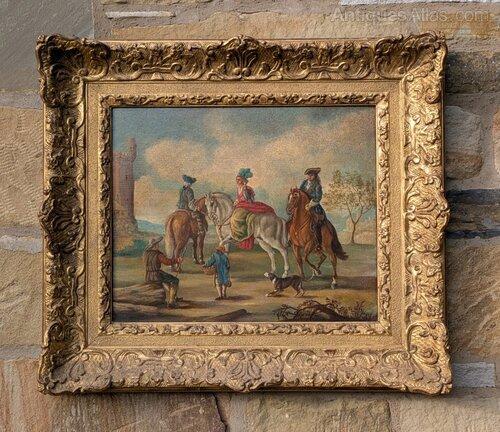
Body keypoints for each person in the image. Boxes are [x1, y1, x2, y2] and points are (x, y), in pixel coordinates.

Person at [231, 168, 275, 249]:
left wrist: (240, 200)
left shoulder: (246, 188)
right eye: (236, 179)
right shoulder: (238, 188)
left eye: (239, 179)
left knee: (237, 217)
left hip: (247, 204)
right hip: (240, 205)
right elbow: (239, 198)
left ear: (243, 180)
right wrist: (236, 201)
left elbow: (249, 199)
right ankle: (238, 235)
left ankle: (242, 234)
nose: (237, 181)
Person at [143, 236, 182, 307]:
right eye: (157, 244)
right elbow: (168, 262)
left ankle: (173, 297)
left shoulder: (145, 254)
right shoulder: (158, 255)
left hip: (148, 276)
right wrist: (177, 260)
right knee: (175, 280)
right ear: (154, 246)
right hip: (157, 275)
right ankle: (171, 302)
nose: (158, 245)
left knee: (167, 281)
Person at [299, 167, 325, 249]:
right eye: (308, 175)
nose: (309, 176)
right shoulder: (304, 182)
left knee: (316, 222)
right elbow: (300, 192)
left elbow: (318, 198)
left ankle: (317, 242)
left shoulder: (317, 185)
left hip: (314, 205)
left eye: (311, 175)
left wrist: (310, 205)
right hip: (302, 205)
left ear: (315, 176)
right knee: (293, 216)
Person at [177, 174, 207, 243]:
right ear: (187, 183)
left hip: (179, 208)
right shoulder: (189, 190)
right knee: (199, 215)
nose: (190, 185)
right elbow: (190, 204)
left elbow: (184, 200)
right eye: (189, 183)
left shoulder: (181, 189)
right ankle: (200, 230)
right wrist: (196, 208)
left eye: (190, 183)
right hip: (186, 208)